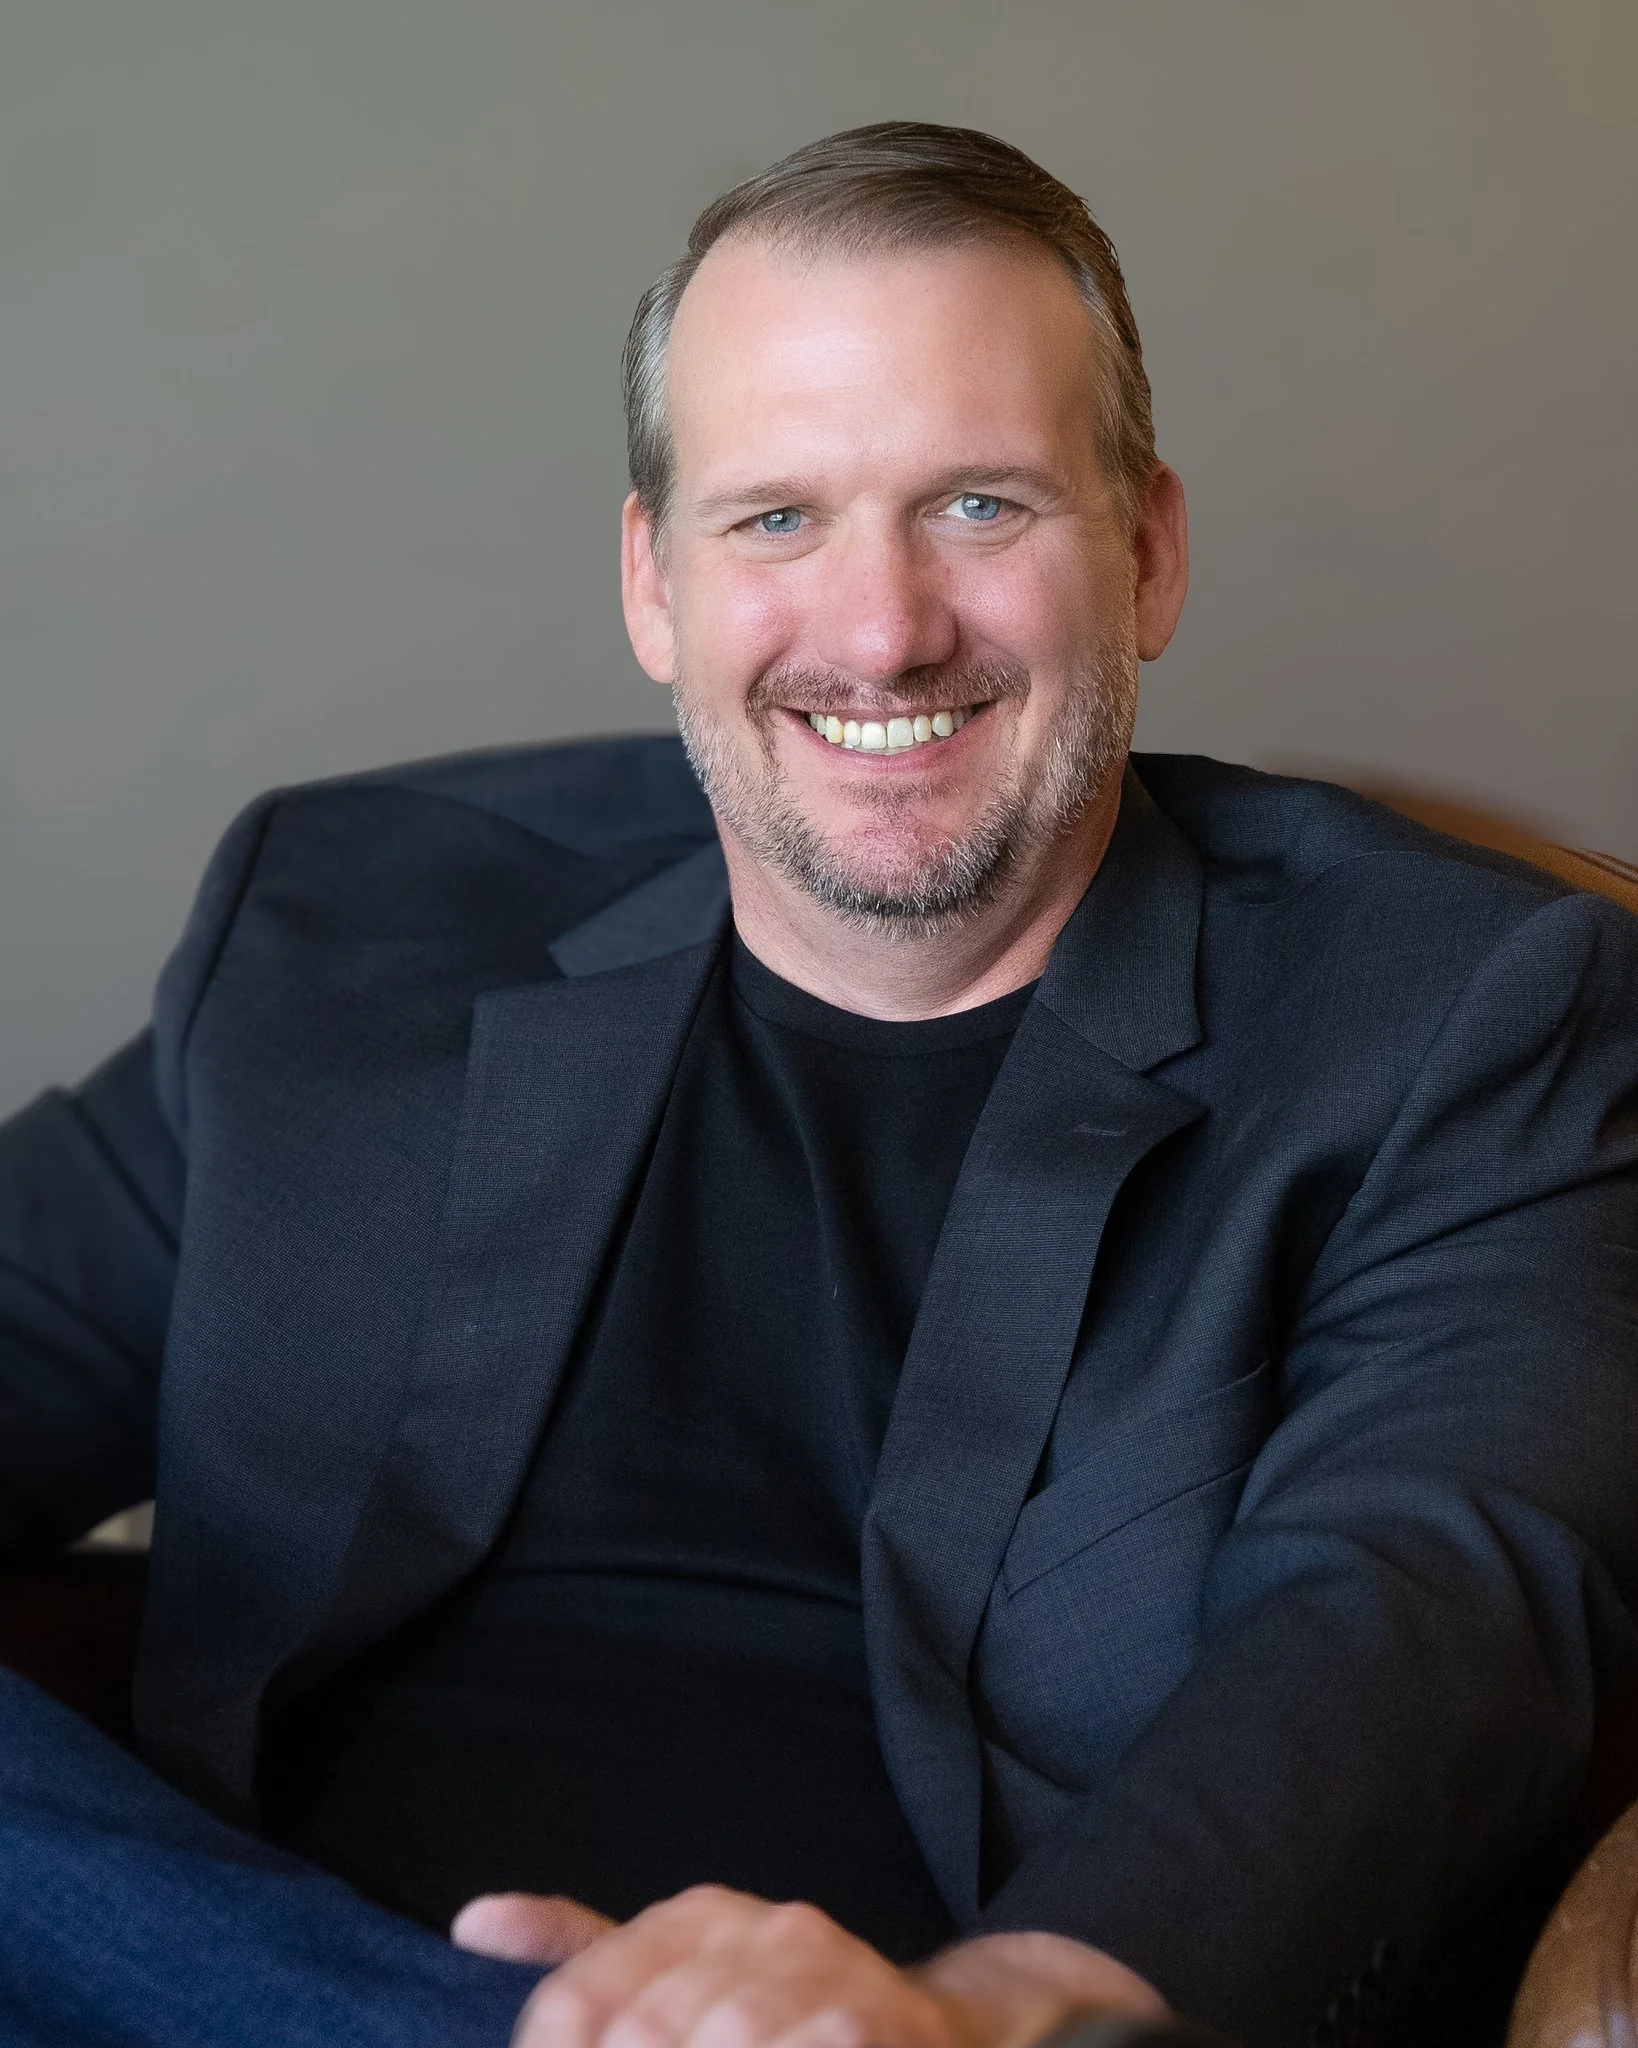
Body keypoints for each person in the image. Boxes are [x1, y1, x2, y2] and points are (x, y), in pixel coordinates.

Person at [0, 121, 1635, 2048]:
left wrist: (1000, 2006)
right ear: (654, 583)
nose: (879, 630)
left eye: (979, 507)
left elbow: (1421, 1618)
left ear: (1152, 554)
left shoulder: (1458, 1008)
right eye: (774, 517)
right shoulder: (353, 930)